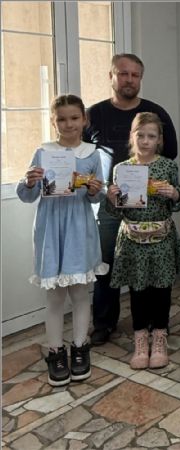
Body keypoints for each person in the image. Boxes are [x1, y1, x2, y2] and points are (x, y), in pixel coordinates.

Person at [85, 53, 178, 346]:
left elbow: (170, 154)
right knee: (106, 265)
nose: (129, 80)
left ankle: (151, 322)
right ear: (111, 76)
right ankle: (104, 322)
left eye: (135, 75)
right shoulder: (94, 114)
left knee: (149, 268)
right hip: (110, 204)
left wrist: (156, 187)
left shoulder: (156, 112)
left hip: (150, 208)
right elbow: (82, 156)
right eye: (123, 73)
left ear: (141, 78)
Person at [17, 94, 108, 386]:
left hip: (79, 227)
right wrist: (29, 181)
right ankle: (55, 351)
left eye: (74, 118)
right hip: (51, 228)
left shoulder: (92, 154)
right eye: (62, 119)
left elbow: (98, 197)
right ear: (53, 122)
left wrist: (94, 189)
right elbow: (27, 195)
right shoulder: (43, 152)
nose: (68, 124)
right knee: (55, 296)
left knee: (80, 294)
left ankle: (80, 347)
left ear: (84, 120)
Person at [106, 112, 180, 370]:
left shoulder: (168, 167)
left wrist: (174, 194)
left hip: (161, 240)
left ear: (159, 140)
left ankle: (160, 338)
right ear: (132, 137)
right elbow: (115, 213)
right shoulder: (122, 169)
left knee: (162, 290)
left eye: (151, 136)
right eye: (140, 135)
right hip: (132, 241)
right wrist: (112, 199)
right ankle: (141, 340)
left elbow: (178, 203)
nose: (145, 141)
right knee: (138, 291)